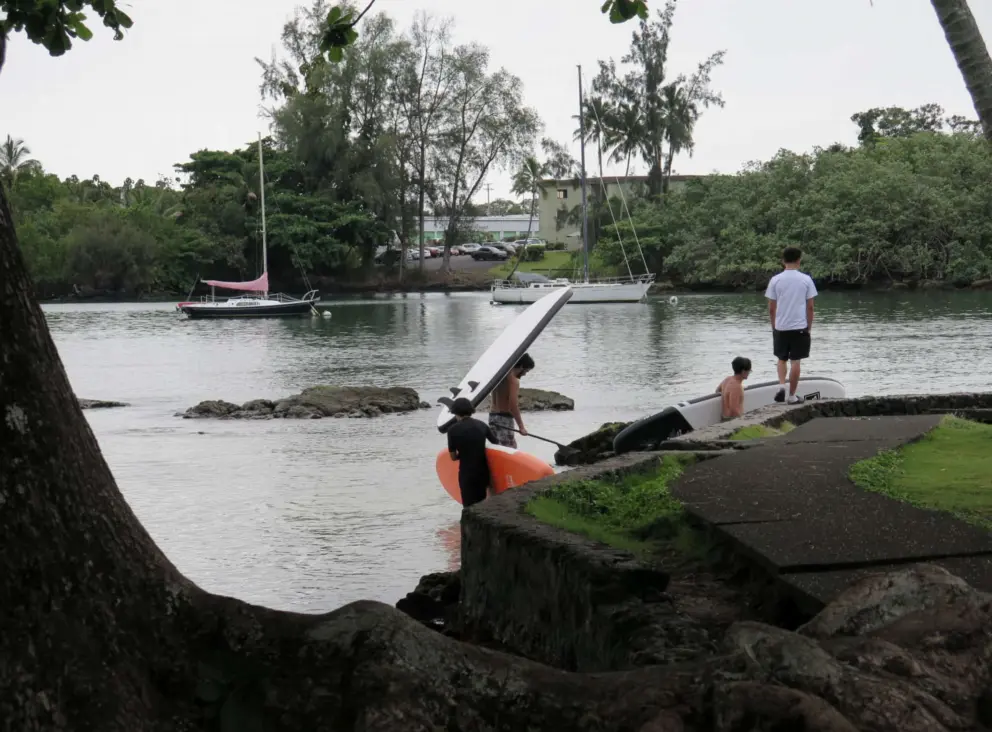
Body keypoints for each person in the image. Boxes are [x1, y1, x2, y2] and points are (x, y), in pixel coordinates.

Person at [765, 246, 818, 404]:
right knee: (796, 361)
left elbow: (771, 308)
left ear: (783, 261)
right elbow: (810, 307)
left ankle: (782, 386)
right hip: (799, 326)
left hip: (781, 326)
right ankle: (792, 396)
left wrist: (774, 326)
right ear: (798, 260)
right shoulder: (806, 279)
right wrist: (808, 326)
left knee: (781, 359)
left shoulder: (775, 280)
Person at [446, 397, 498, 508]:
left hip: (466, 474)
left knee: (468, 507)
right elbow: (495, 442)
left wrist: (462, 454)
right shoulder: (482, 425)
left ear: (455, 412)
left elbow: (453, 457)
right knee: (482, 505)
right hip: (482, 473)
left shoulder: (452, 430)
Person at [488, 353, 534, 448]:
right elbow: (513, 405)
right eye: (526, 371)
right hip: (504, 419)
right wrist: (521, 426)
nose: (525, 374)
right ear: (521, 366)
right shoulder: (513, 380)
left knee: (497, 447)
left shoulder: (498, 376)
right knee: (509, 449)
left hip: (492, 417)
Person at [716, 356, 752, 420]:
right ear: (743, 372)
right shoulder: (737, 386)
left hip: (724, 417)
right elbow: (734, 409)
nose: (749, 373)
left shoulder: (727, 379)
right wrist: (743, 421)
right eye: (749, 371)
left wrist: (726, 395)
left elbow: (717, 390)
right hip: (732, 420)